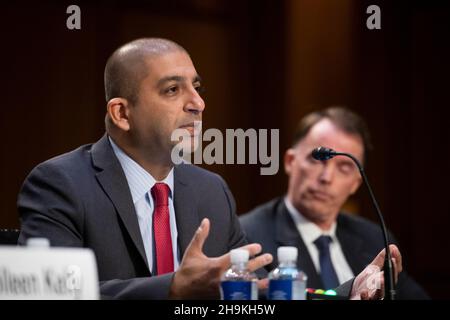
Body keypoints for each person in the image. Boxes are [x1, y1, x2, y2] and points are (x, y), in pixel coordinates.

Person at [18, 39, 401, 299]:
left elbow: (260, 294)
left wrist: (349, 290)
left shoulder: (210, 191)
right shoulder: (60, 183)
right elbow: (49, 293)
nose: (198, 103)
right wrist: (172, 289)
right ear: (122, 113)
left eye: (196, 87)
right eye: (172, 90)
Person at [240, 107, 429, 299]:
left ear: (355, 184)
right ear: (290, 161)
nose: (326, 177)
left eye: (344, 167)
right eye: (317, 159)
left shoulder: (376, 240)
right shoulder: (247, 238)